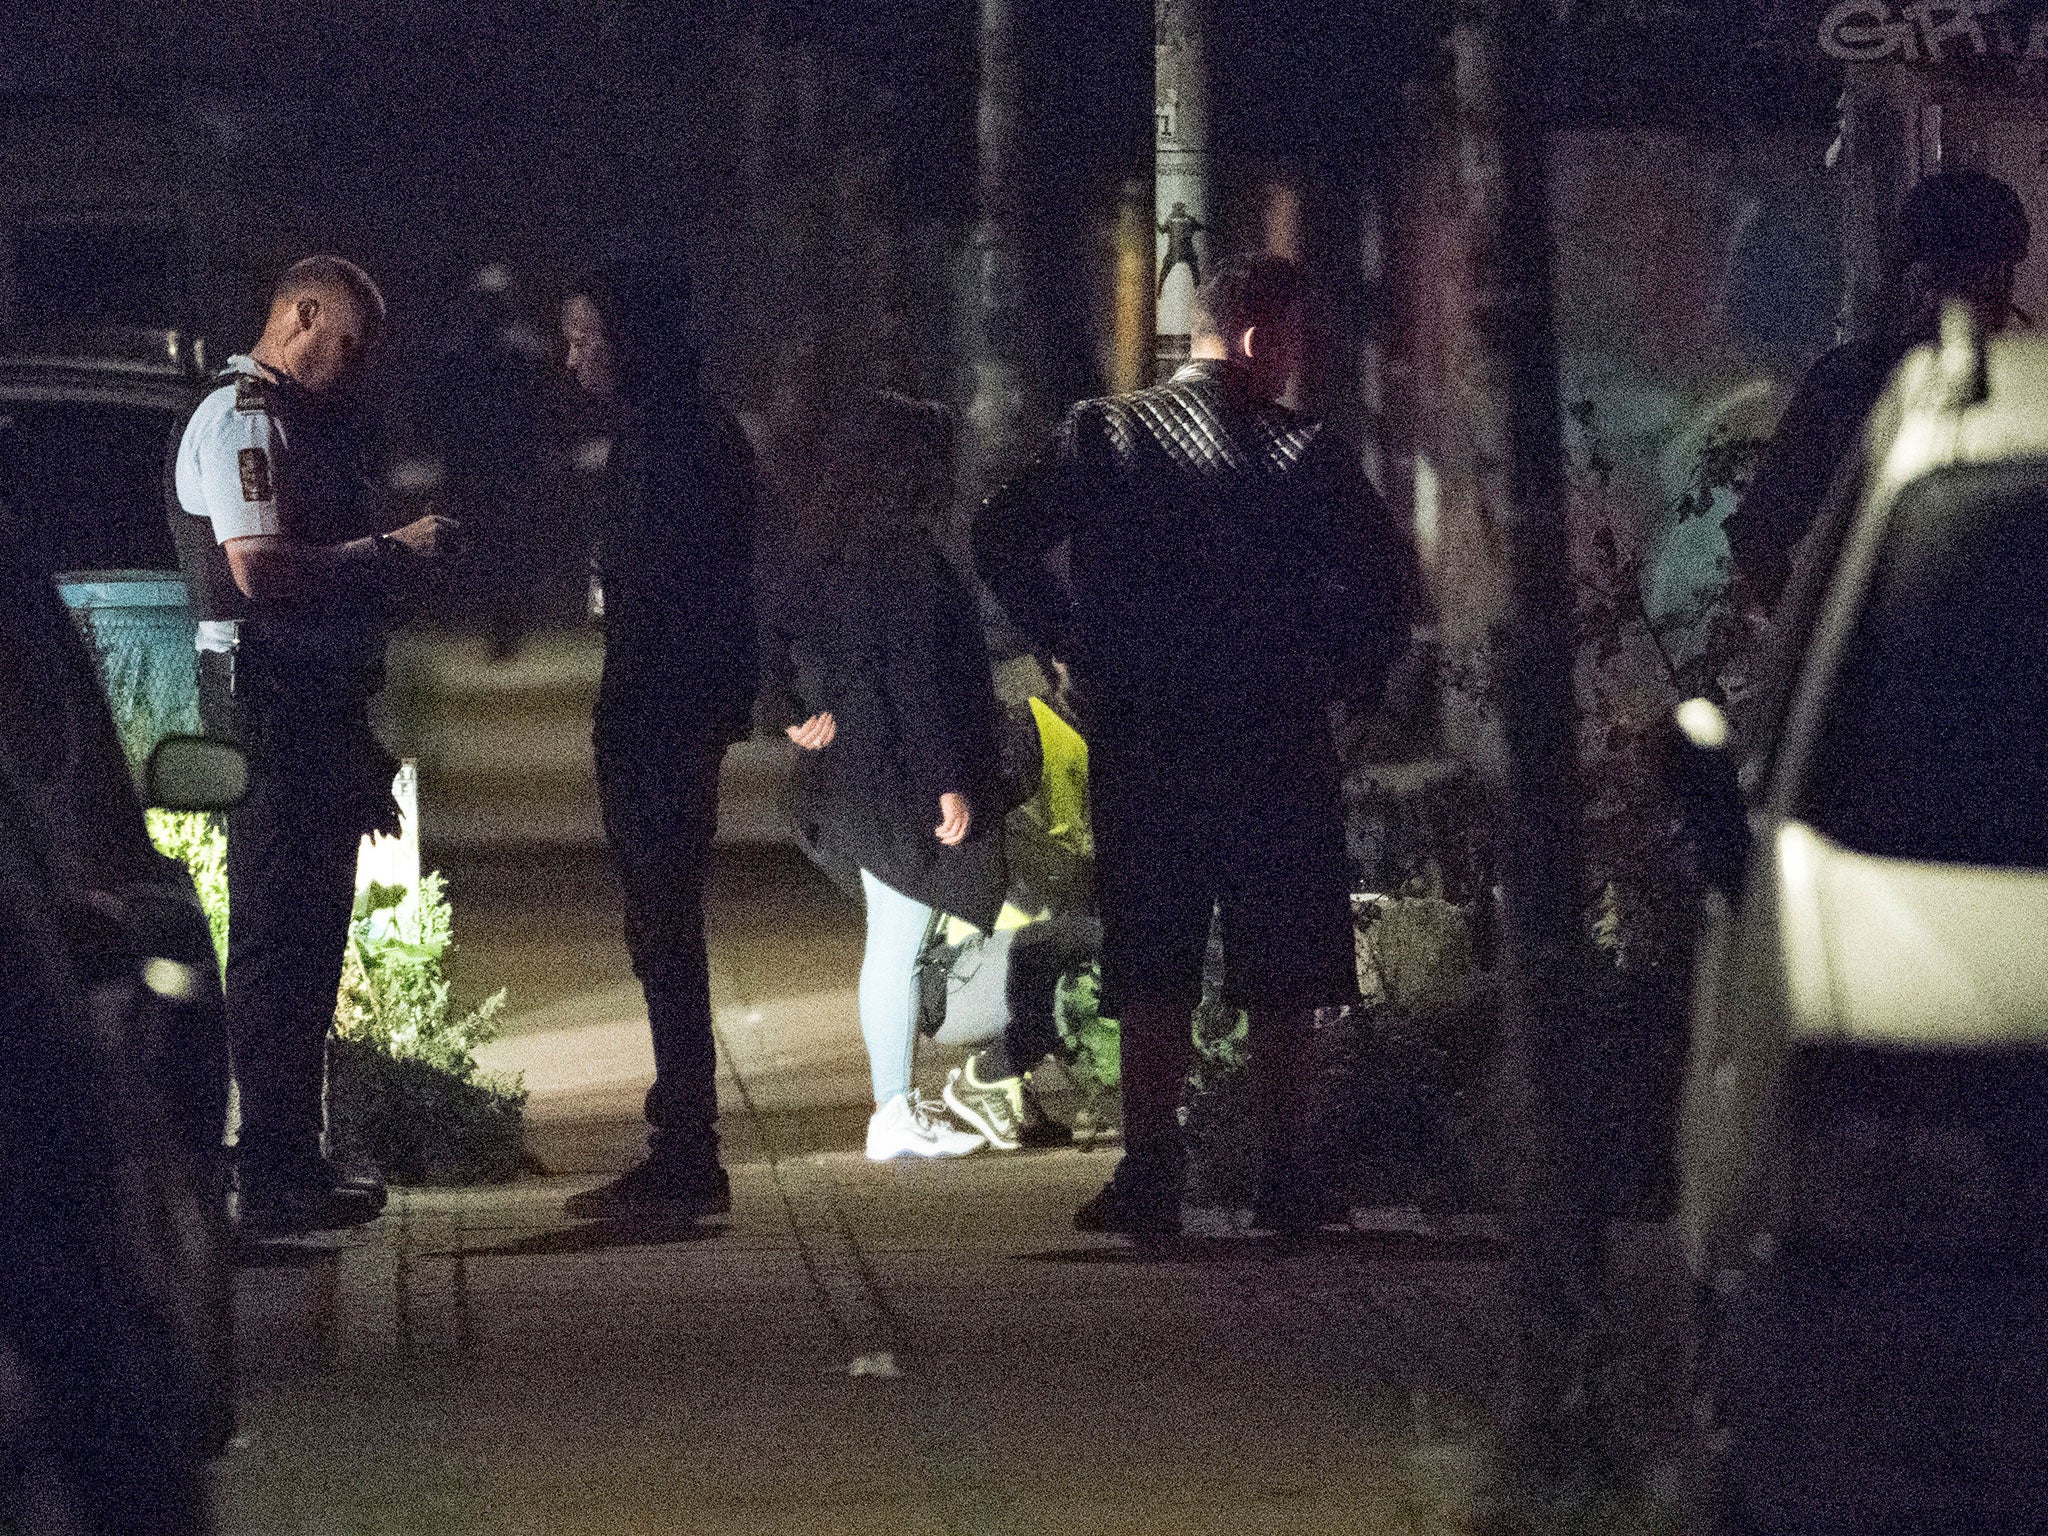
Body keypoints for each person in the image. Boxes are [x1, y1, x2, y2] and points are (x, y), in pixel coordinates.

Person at [975, 252, 1414, 1237]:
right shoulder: (1302, 453)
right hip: (1271, 735)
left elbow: (999, 533)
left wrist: (1066, 642)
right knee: (1284, 959)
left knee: (1152, 953)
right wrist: (1344, 682)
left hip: (1144, 730)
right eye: (1295, 339)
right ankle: (1289, 1176)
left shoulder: (1103, 435)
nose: (1300, 360)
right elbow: (1387, 588)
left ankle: (1150, 1169)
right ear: (1258, 338)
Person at [168, 255, 460, 1238]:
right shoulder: (246, 420)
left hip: (309, 709)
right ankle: (276, 1171)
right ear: (299, 314)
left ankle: (295, 1157)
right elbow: (256, 572)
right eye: (349, 342)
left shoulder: (290, 419)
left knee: (309, 943)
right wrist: (389, 552)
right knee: (276, 940)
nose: (360, 364)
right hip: (268, 706)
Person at [558, 257, 759, 1220]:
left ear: (631, 340)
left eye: (587, 337)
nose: (573, 358)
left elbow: (687, 585)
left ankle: (686, 1151)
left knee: (665, 924)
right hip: (667, 700)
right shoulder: (677, 428)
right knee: (660, 925)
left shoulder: (673, 437)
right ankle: (681, 1141)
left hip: (661, 706)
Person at [759, 383, 1004, 1160]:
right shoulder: (902, 558)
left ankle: (899, 1103)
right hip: (891, 774)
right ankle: (893, 1109)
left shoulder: (828, 550)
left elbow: (783, 642)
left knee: (892, 938)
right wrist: (948, 780)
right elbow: (915, 679)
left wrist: (795, 711)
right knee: (897, 941)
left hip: (850, 770)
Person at [1725, 169, 2031, 611]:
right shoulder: (1849, 385)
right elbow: (1761, 539)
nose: (1998, 299)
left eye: (2002, 277)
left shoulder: (2018, 391)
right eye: (1980, 279)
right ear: (1922, 281)